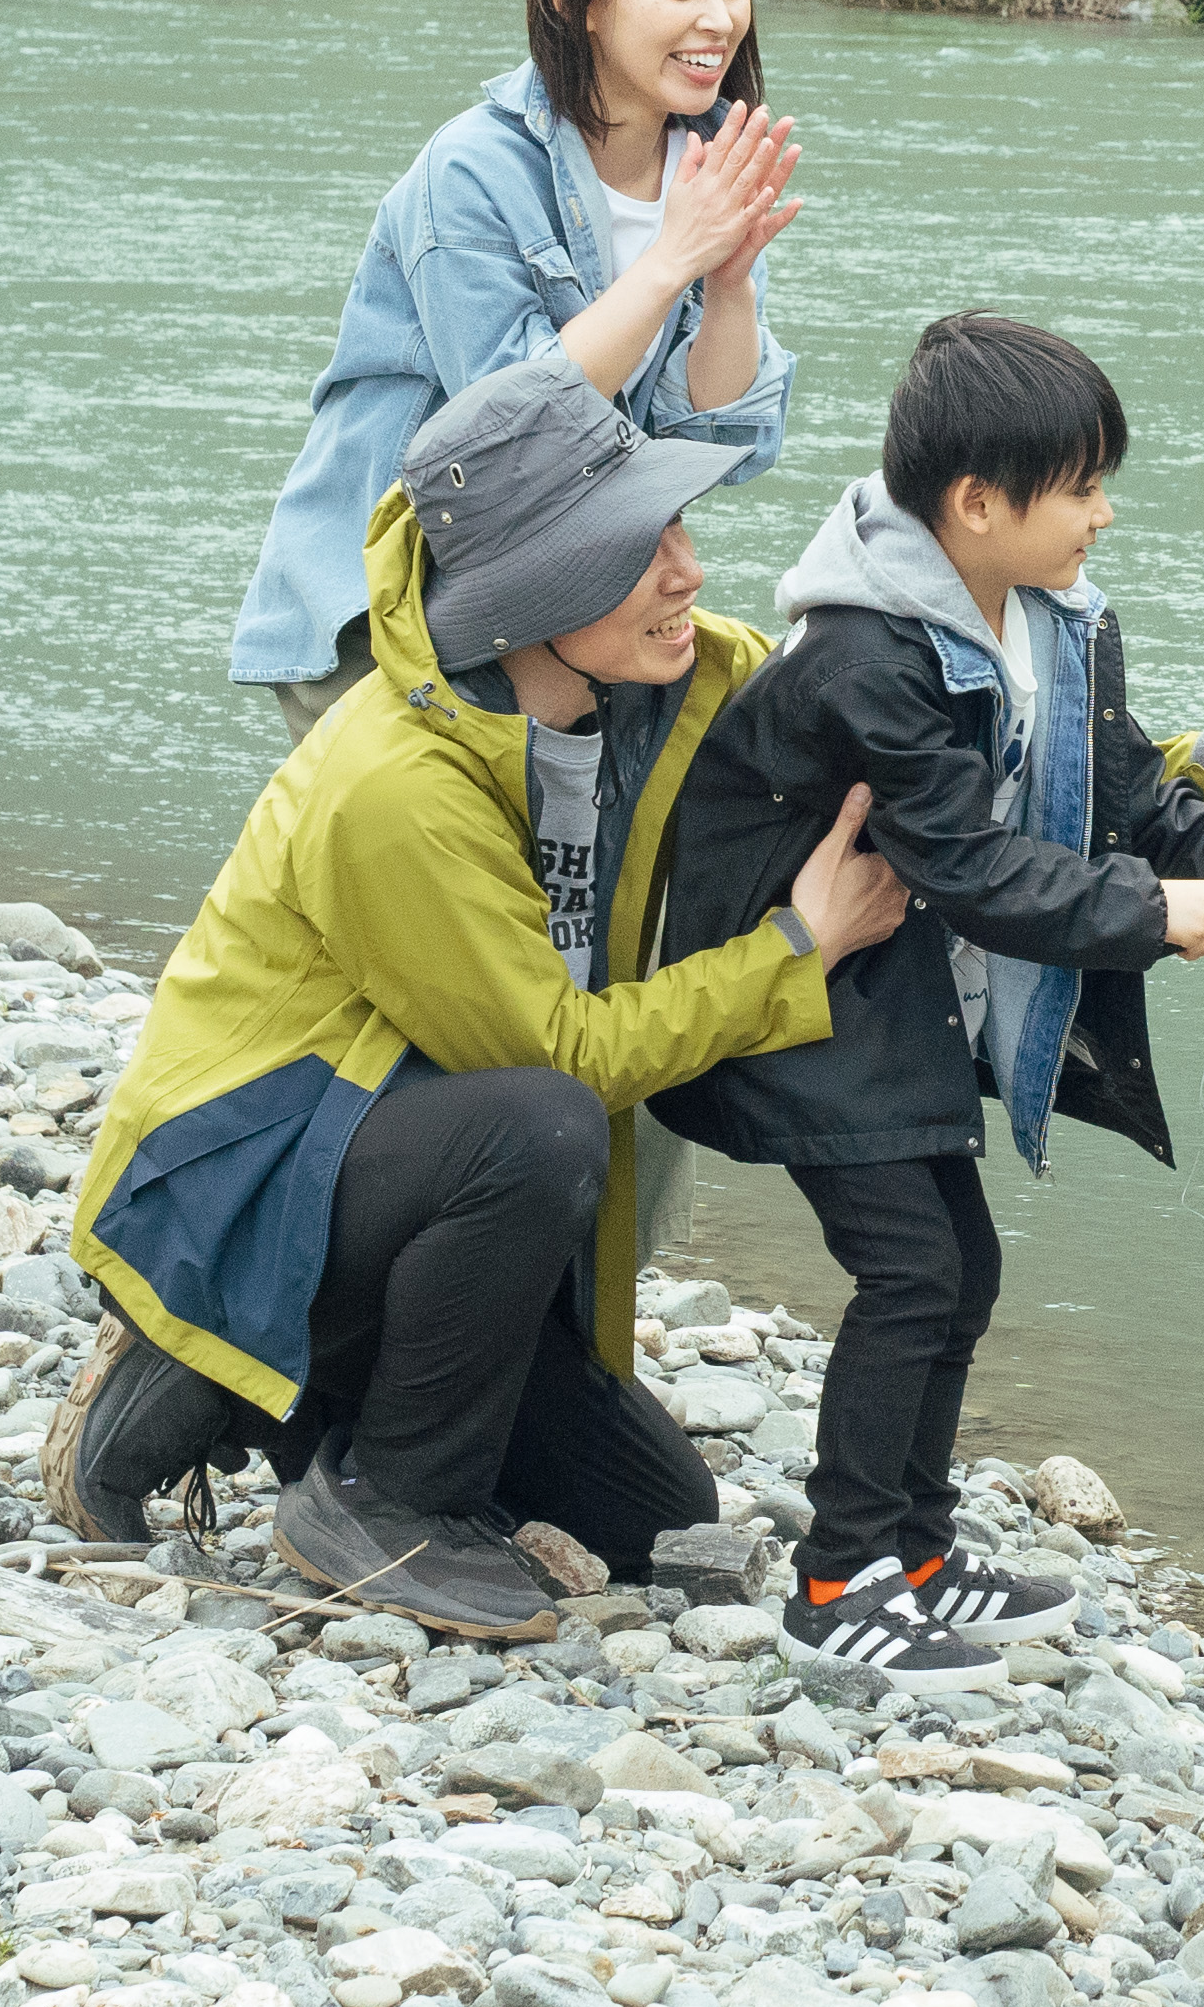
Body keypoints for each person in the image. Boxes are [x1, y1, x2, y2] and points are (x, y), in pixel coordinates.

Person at [61, 353, 913, 1637]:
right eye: (640, 544)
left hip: (397, 1151)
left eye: (678, 525)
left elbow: (875, 704)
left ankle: (285, 1400)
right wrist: (797, 949)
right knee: (546, 1122)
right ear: (534, 592)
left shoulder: (647, 681)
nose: (687, 569)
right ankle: (378, 1495)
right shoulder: (394, 782)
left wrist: (1192, 799)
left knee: (651, 1518)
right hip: (248, 1171)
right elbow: (558, 1052)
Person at [650, 313, 1204, 1692]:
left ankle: (917, 1557)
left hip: (893, 989)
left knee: (960, 1265)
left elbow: (1127, 797)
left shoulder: (1054, 622)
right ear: (977, 505)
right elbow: (973, 866)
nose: (1105, 516)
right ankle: (839, 1584)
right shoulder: (866, 660)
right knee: (915, 1268)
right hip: (794, 992)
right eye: (1083, 488)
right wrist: (1153, 918)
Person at [232, 0, 803, 746]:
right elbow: (513, 433)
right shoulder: (471, 171)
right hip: (391, 613)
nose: (718, 19)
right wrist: (669, 264)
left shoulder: (709, 160)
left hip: (567, 611)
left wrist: (727, 286)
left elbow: (721, 448)